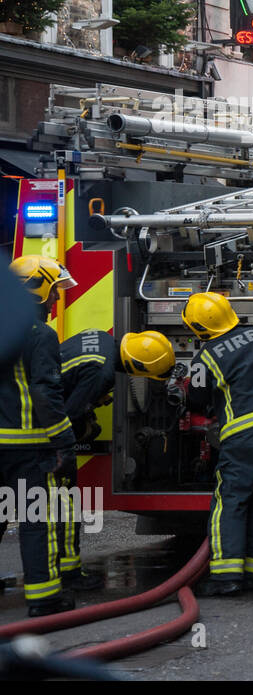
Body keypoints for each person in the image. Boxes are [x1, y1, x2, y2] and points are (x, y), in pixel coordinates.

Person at [183, 292, 253, 596]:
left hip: (242, 436)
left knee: (231, 501)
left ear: (199, 329)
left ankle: (226, 576)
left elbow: (195, 399)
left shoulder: (203, 358)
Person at [54, 328, 176, 590]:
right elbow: (67, 415)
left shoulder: (100, 338)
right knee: (62, 504)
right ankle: (68, 575)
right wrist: (81, 430)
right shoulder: (103, 372)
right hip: (42, 435)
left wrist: (92, 398)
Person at [1, 256, 77, 616]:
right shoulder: (39, 334)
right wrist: (63, 443)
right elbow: (46, 392)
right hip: (26, 447)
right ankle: (44, 598)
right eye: (53, 294)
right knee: (35, 520)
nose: (56, 301)